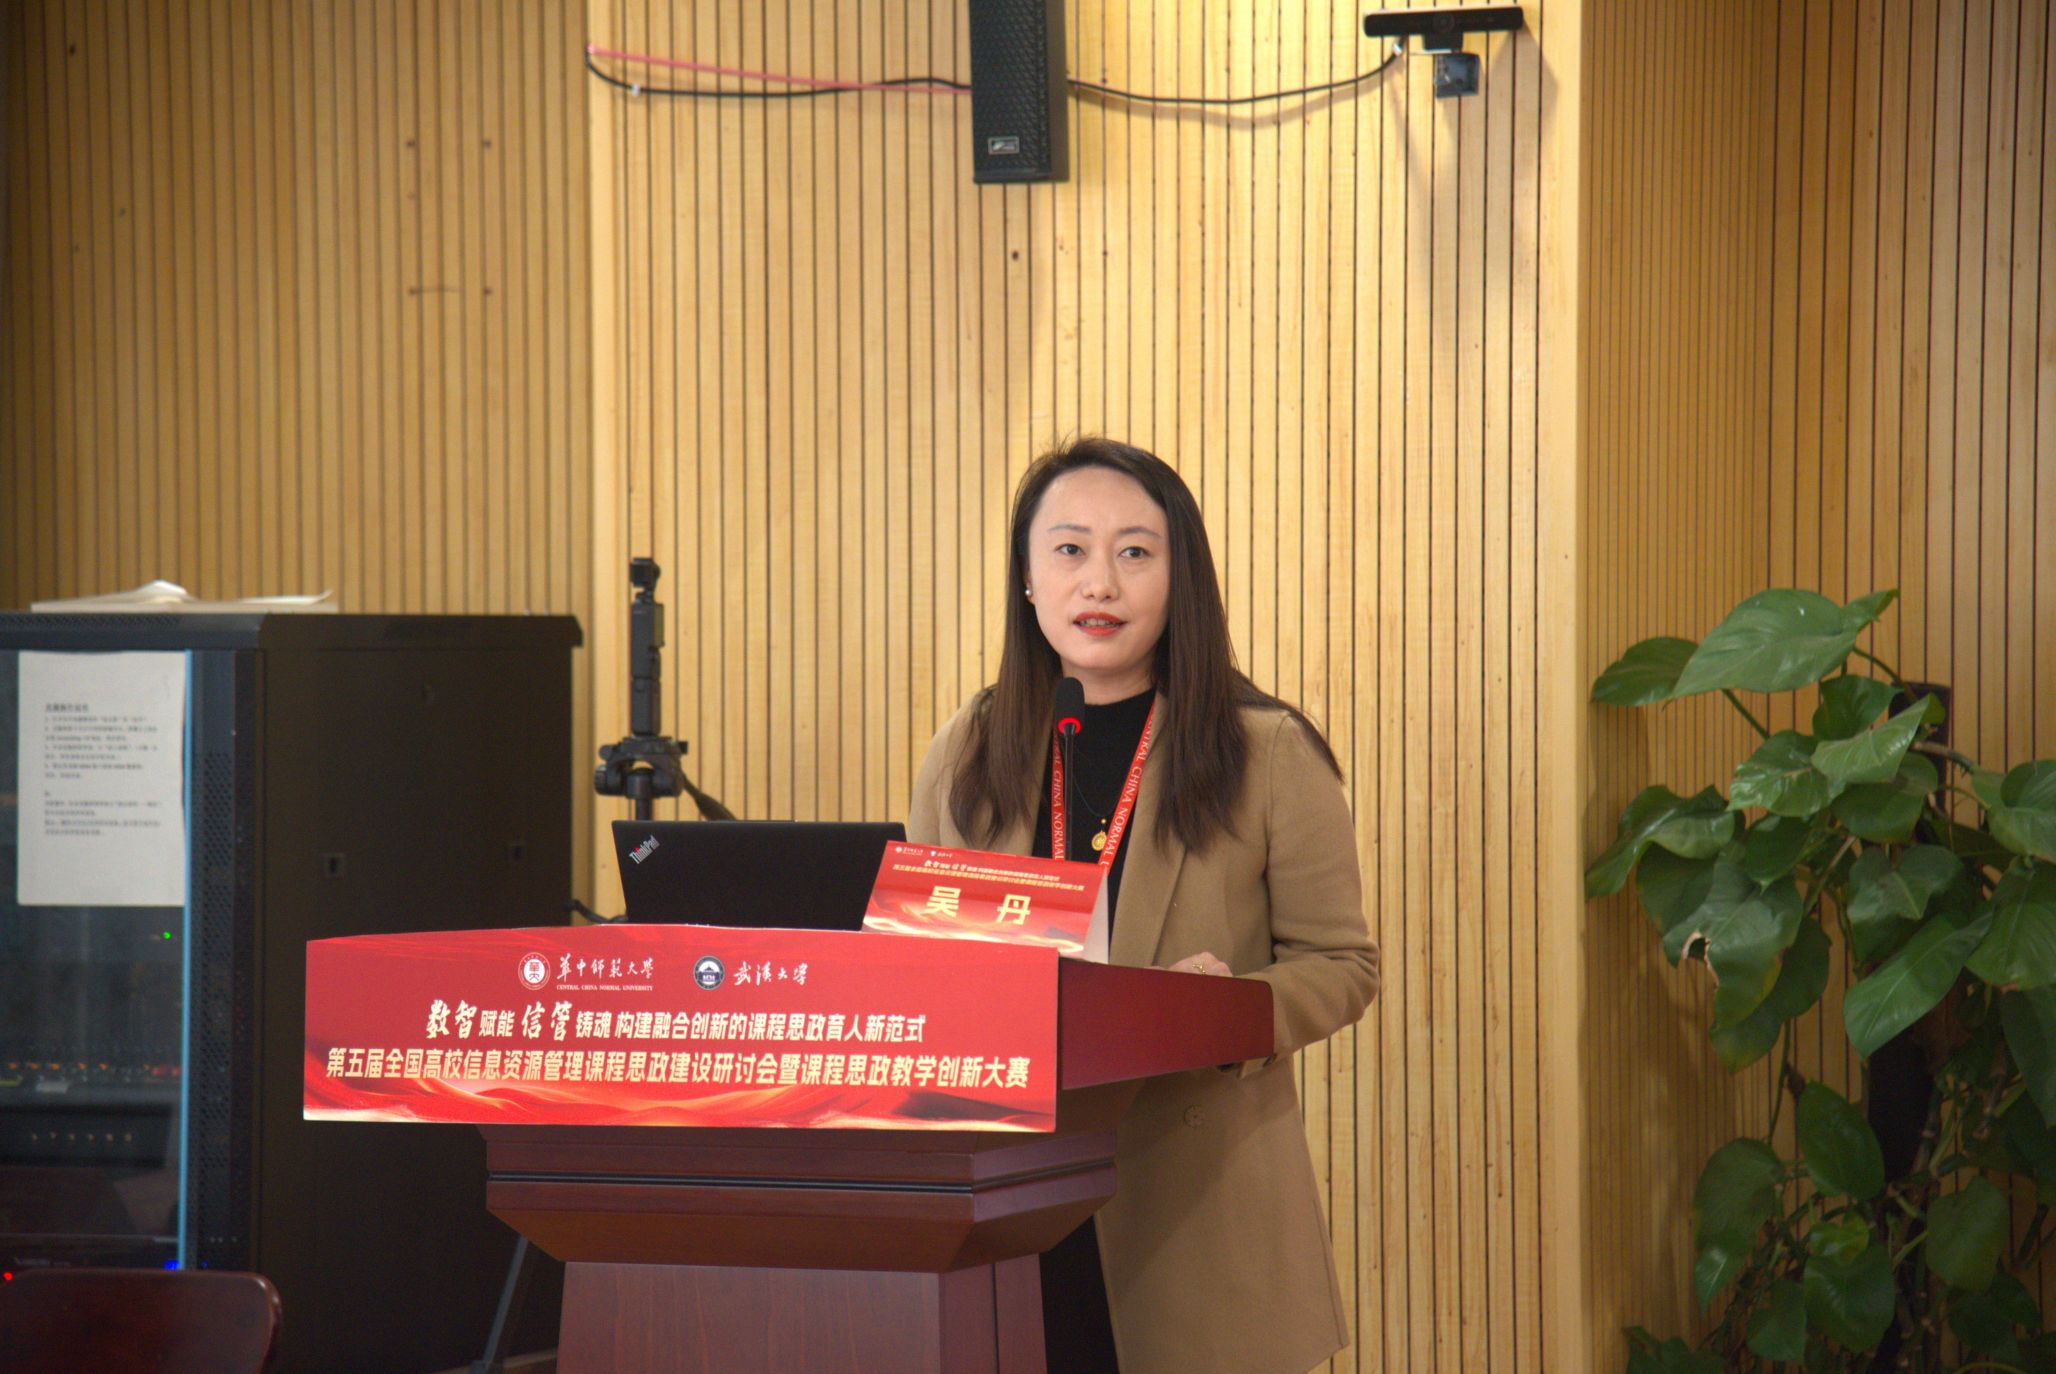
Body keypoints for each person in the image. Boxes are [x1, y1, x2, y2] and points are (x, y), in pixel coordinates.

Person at [906, 436, 1380, 1374]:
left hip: (1192, 1201)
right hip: (1003, 1195)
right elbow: (924, 959)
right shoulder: (969, 746)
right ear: (1028, 579)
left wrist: (1226, 1011)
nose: (1101, 583)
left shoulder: (1264, 750)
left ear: (1178, 578)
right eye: (1070, 550)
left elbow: (1343, 965)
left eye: (1134, 552)